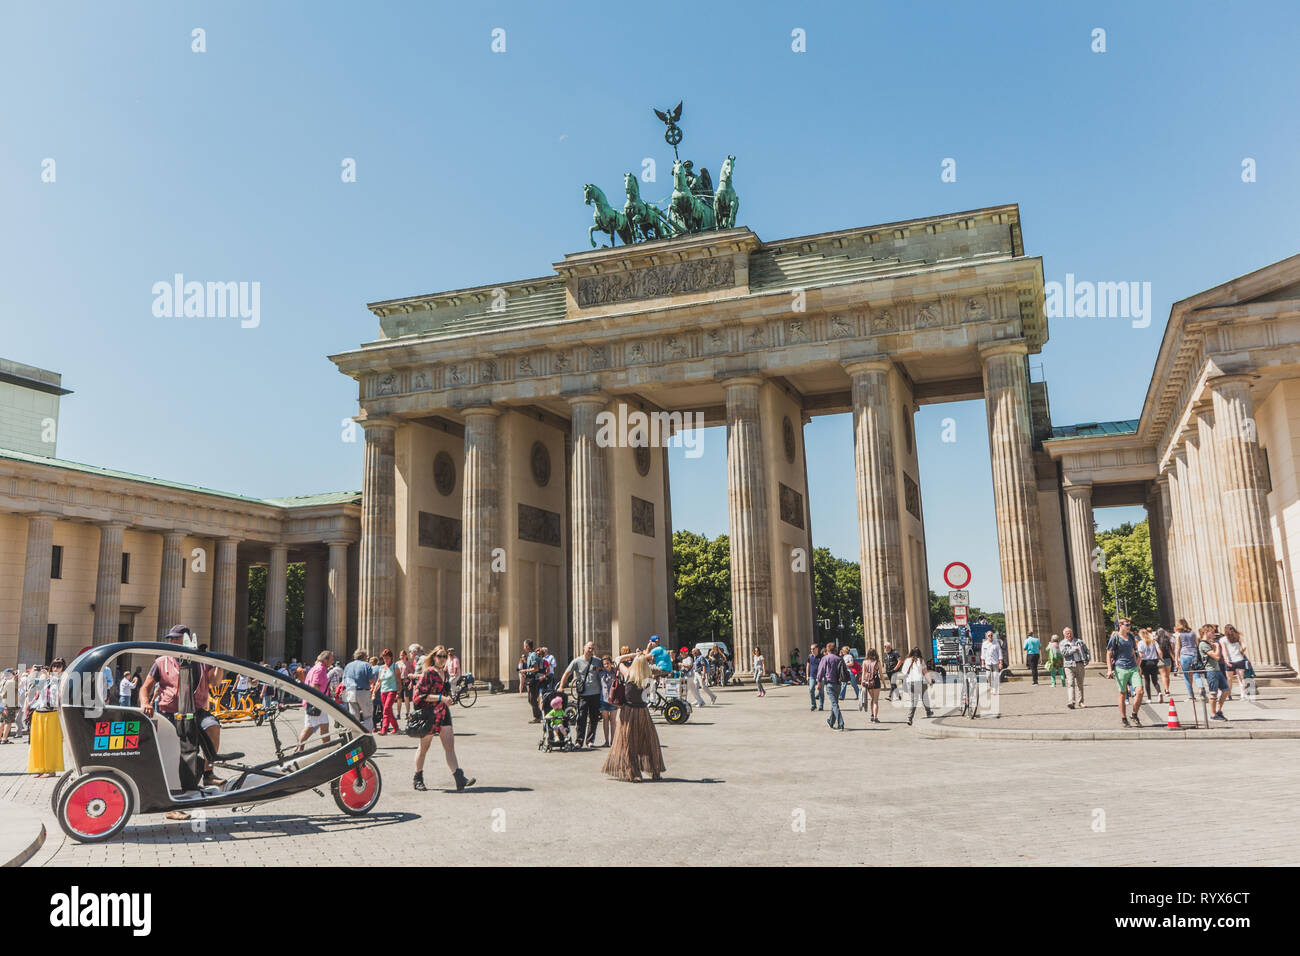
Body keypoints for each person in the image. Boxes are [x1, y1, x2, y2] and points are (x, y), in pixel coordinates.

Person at [140, 626, 224, 788]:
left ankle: (208, 773)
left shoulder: (201, 661)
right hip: (170, 713)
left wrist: (219, 665)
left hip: (197, 711)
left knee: (213, 727)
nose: (171, 641)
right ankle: (170, 782)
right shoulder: (161, 662)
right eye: (170, 638)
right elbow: (145, 687)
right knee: (173, 748)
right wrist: (145, 702)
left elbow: (214, 682)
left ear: (186, 640)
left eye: (175, 638)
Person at [412, 646, 475, 791]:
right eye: (439, 656)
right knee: (423, 748)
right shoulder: (428, 673)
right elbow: (418, 696)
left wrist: (449, 699)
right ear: (434, 657)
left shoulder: (445, 673)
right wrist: (441, 697)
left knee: (450, 747)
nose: (442, 659)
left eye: (444, 656)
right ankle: (418, 778)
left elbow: (445, 692)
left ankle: (459, 779)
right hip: (430, 714)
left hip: (443, 713)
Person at [602, 653, 666, 782]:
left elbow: (617, 660)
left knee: (629, 742)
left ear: (634, 664)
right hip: (643, 711)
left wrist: (635, 655)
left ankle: (634, 773)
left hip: (629, 712)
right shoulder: (648, 675)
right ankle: (655, 771)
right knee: (649, 741)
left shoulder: (629, 674)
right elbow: (664, 668)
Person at [559, 641, 604, 748]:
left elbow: (607, 669)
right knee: (581, 718)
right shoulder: (577, 661)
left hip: (596, 693)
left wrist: (601, 669)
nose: (591, 650)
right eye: (589, 648)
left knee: (594, 718)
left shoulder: (598, 661)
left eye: (592, 649)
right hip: (583, 694)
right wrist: (561, 686)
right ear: (584, 648)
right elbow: (567, 673)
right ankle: (579, 741)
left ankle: (590, 741)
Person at [26, 661, 64, 776]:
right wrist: (33, 673)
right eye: (53, 666)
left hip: (52, 714)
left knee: (51, 743)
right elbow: (31, 686)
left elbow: (59, 689)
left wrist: (49, 677)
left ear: (63, 668)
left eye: (58, 666)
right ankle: (40, 769)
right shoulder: (43, 678)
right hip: (39, 712)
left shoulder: (63, 678)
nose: (55, 669)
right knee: (38, 742)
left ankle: (51, 769)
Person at [1106, 618, 1145, 727]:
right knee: (1122, 693)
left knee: (1140, 691)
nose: (1129, 627)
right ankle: (1123, 718)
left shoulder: (1131, 637)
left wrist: (1138, 665)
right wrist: (1110, 669)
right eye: (1127, 625)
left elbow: (1134, 652)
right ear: (1120, 625)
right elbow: (1108, 653)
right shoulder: (1115, 638)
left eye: (1129, 625)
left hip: (1133, 667)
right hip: (1120, 668)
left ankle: (1134, 714)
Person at [295, 650, 335, 751]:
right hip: (317, 702)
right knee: (313, 727)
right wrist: (323, 698)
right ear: (325, 660)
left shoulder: (316, 668)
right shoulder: (320, 669)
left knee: (320, 727)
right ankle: (300, 748)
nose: (332, 661)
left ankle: (326, 748)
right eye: (331, 659)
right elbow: (314, 685)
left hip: (314, 702)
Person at [1198, 625, 1229, 721]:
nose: (1214, 634)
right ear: (1206, 632)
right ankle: (1213, 714)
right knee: (1213, 693)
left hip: (1217, 669)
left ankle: (1218, 710)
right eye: (1212, 632)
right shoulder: (1203, 644)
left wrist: (1214, 646)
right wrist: (1217, 646)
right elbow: (1216, 657)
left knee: (1226, 690)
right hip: (1211, 670)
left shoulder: (1208, 643)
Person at [342, 649, 376, 731]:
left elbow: (343, 682)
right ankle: (367, 736)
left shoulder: (348, 666)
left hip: (350, 691)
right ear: (364, 656)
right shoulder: (366, 665)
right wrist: (374, 677)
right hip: (363, 692)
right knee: (367, 716)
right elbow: (371, 680)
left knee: (354, 717)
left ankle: (355, 736)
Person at [817, 643, 847, 730]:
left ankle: (841, 723)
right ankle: (831, 721)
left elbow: (821, 671)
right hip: (838, 684)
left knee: (834, 704)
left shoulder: (825, 658)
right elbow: (844, 671)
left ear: (827, 649)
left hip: (829, 684)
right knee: (835, 703)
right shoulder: (839, 659)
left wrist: (818, 682)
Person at [899, 649, 932, 726]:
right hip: (920, 681)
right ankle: (928, 712)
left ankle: (910, 718)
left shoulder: (907, 660)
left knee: (913, 701)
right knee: (925, 697)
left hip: (910, 682)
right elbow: (925, 672)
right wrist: (930, 681)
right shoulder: (921, 660)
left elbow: (903, 672)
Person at [373, 649, 401, 735]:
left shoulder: (395, 666)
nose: (385, 660)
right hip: (383, 691)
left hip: (392, 690)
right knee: (388, 711)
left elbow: (398, 680)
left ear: (391, 658)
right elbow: (379, 681)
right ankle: (396, 728)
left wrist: (399, 692)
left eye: (387, 658)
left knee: (386, 709)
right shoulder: (381, 668)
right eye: (384, 658)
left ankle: (384, 729)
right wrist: (374, 691)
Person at [1221, 625, 1251, 701]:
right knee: (1241, 678)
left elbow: (1224, 650)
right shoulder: (1238, 637)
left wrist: (1225, 659)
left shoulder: (1223, 639)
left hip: (1230, 661)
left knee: (1229, 679)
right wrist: (1241, 652)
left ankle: (1228, 694)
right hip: (1239, 659)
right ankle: (1243, 695)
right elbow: (1244, 647)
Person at [1174, 618, 1201, 700]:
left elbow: (1177, 647)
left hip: (1184, 655)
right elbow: (1197, 644)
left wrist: (1176, 658)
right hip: (1194, 654)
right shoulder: (1193, 633)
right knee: (1196, 674)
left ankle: (1191, 696)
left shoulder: (1178, 634)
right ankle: (1201, 687)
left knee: (1186, 676)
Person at [598, 655, 619, 746]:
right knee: (605, 720)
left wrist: (615, 668)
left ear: (611, 663)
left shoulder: (615, 673)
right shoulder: (600, 673)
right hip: (603, 699)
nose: (606, 665)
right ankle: (606, 741)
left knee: (613, 721)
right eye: (604, 664)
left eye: (607, 663)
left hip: (613, 699)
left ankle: (613, 741)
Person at [521, 640, 544, 723]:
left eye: (524, 645)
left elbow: (536, 668)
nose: (523, 647)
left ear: (527, 646)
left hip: (534, 679)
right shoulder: (530, 655)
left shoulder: (533, 655)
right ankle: (538, 715)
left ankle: (538, 716)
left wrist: (525, 670)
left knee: (532, 699)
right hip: (531, 679)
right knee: (531, 699)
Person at [1137, 628, 1162, 700]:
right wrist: (1160, 659)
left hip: (1145, 662)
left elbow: (1140, 655)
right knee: (1155, 680)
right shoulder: (1153, 642)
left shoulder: (1140, 643)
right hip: (1154, 661)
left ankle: (1149, 698)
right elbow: (1159, 652)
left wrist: (1138, 665)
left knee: (1147, 680)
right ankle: (1159, 692)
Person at [861, 648, 883, 723]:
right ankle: (875, 718)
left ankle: (872, 715)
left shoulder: (864, 662)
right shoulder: (877, 662)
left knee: (872, 699)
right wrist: (884, 683)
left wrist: (862, 683)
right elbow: (881, 673)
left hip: (868, 682)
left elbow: (863, 672)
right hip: (876, 681)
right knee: (875, 701)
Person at [1155, 627, 1175, 703]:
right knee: (1167, 675)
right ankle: (1167, 689)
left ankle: (1166, 690)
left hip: (1160, 659)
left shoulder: (1156, 641)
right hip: (1168, 659)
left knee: (1163, 675)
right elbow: (1170, 651)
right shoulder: (1167, 640)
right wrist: (1174, 659)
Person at [980, 632, 1003, 696]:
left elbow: (1000, 653)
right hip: (988, 662)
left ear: (993, 636)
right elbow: (983, 654)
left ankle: (994, 689)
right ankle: (991, 686)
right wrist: (982, 663)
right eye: (989, 635)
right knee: (988, 675)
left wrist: (1000, 663)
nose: (990, 636)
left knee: (995, 676)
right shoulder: (984, 644)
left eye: (991, 635)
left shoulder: (996, 643)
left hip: (995, 662)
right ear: (987, 636)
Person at [0, 668, 16, 745]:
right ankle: (4, 739)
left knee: (2, 722)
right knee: (8, 722)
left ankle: (1, 738)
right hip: (9, 704)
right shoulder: (11, 682)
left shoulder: (3, 681)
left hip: (2, 703)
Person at [806, 643, 824, 711]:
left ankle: (821, 705)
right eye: (811, 649)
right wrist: (807, 675)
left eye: (813, 649)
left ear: (817, 649)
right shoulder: (810, 656)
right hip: (812, 676)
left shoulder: (821, 657)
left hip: (820, 676)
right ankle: (813, 705)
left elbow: (824, 667)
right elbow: (808, 666)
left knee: (821, 691)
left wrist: (823, 676)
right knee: (811, 690)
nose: (812, 650)